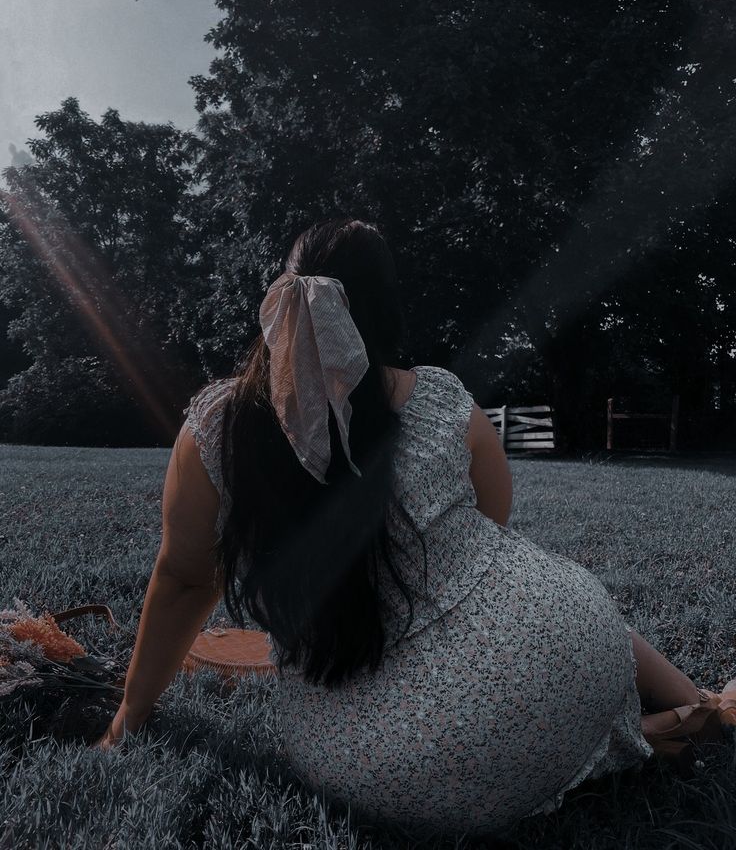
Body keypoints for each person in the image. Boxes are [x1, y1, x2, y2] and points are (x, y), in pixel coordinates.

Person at [92, 218, 735, 841]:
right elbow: (493, 535)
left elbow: (181, 581)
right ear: (384, 310)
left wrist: (129, 716)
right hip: (572, 645)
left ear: (278, 303)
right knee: (534, 600)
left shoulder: (217, 430)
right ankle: (695, 711)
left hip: (403, 769)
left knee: (489, 744)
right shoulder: (442, 400)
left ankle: (652, 731)